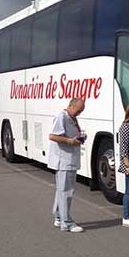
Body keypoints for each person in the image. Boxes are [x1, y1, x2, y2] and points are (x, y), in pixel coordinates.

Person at [48, 98, 87, 233]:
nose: (79, 113)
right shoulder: (62, 117)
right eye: (78, 110)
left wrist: (80, 137)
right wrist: (71, 141)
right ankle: (67, 223)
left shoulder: (71, 117)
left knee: (61, 190)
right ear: (71, 106)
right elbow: (53, 136)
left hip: (69, 159)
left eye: (81, 111)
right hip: (64, 160)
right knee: (66, 192)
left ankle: (59, 217)